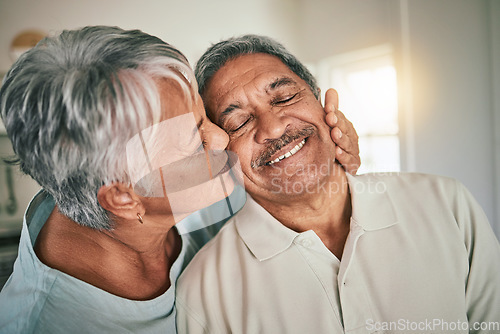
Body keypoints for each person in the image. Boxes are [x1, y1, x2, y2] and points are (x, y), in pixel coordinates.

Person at [0, 27, 359, 333]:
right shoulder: (54, 322)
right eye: (195, 140)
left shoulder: (169, 186)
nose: (221, 138)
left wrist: (327, 162)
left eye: (204, 116)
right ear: (124, 199)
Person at [175, 34, 500, 333]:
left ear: (323, 103)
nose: (273, 129)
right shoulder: (204, 292)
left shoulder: (447, 204)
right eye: (239, 122)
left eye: (284, 97)